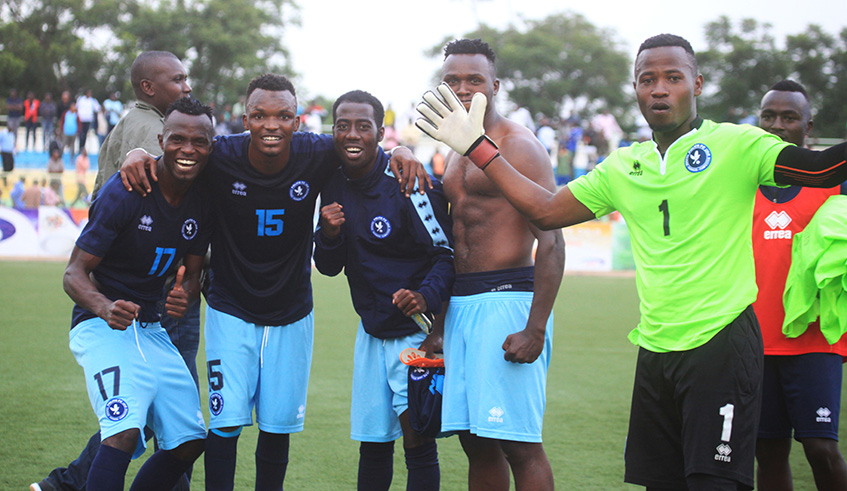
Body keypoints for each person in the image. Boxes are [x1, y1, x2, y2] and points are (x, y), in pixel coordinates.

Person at [416, 33, 847, 490]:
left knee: (714, 482)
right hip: (656, 349)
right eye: (647, 79)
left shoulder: (739, 144)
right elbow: (544, 210)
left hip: (721, 343)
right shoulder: (623, 166)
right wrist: (476, 147)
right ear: (637, 90)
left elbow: (820, 170)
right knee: (660, 483)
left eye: (672, 78)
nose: (659, 88)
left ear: (696, 85)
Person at [119, 73, 429, 491]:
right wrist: (136, 151)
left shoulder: (317, 153)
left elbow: (361, 145)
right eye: (260, 115)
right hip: (230, 309)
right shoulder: (220, 155)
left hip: (292, 312)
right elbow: (176, 154)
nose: (271, 125)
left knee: (277, 430)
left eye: (283, 116)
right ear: (245, 118)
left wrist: (402, 150)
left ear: (297, 122)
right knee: (225, 425)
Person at [30, 50, 194, 491]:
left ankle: (61, 486)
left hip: (148, 291)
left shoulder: (144, 122)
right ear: (148, 86)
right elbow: (77, 268)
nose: (187, 86)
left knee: (169, 421)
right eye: (177, 78)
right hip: (141, 296)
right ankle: (64, 485)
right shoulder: (149, 127)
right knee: (148, 420)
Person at [419, 39, 565, 491]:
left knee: (517, 442)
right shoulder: (455, 148)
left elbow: (553, 240)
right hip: (463, 305)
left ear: (495, 86)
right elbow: (452, 243)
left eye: (474, 80)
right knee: (474, 439)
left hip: (508, 302)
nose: (462, 89)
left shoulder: (520, 146)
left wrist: (535, 328)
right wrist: (442, 322)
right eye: (452, 80)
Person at [61, 97, 214, 491]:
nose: (188, 149)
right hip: (100, 325)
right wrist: (104, 305)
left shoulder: (205, 197)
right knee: (124, 431)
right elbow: (74, 273)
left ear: (211, 146)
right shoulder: (128, 188)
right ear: (161, 139)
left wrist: (185, 292)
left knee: (190, 439)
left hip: (151, 327)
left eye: (200, 142)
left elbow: (192, 275)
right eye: (178, 139)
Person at [313, 90, 454, 491]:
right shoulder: (332, 180)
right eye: (343, 126)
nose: (352, 134)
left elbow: (446, 254)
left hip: (415, 333)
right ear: (333, 131)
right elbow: (328, 267)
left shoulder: (408, 181)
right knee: (373, 445)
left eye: (363, 126)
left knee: (418, 443)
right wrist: (329, 233)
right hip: (371, 333)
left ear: (380, 132)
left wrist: (424, 295)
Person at [751, 79, 847, 490]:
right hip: (754, 340)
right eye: (768, 116)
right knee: (768, 451)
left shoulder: (834, 184)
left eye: (789, 118)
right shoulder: (740, 185)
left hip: (814, 339)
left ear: (808, 127)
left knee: (820, 448)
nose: (777, 125)